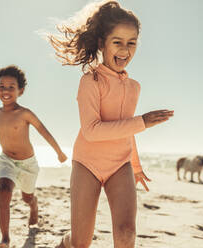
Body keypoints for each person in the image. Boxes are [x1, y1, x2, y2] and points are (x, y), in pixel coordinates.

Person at [48, 1, 174, 247]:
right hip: (87, 163)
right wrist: (143, 121)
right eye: (118, 42)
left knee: (127, 232)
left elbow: (128, 128)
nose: (125, 49)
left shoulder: (134, 87)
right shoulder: (90, 81)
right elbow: (91, 131)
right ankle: (65, 242)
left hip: (120, 164)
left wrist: (135, 165)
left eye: (132, 42)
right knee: (80, 242)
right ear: (101, 43)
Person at [0, 65, 67, 248]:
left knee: (26, 197)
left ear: (20, 91)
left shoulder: (24, 113)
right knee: (4, 190)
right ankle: (5, 239)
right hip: (6, 160)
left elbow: (43, 131)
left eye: (11, 87)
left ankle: (34, 205)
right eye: (1, 86)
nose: (5, 91)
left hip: (27, 164)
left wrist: (59, 152)